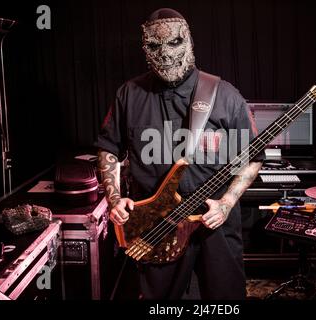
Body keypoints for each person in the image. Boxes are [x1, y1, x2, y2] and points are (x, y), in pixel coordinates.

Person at [96, 8, 263, 300]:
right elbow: (108, 149)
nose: (164, 53)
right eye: (154, 45)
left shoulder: (224, 94)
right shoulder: (128, 94)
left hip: (214, 223)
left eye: (173, 43)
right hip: (156, 224)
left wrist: (226, 202)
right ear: (144, 46)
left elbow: (252, 156)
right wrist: (113, 199)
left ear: (189, 41)